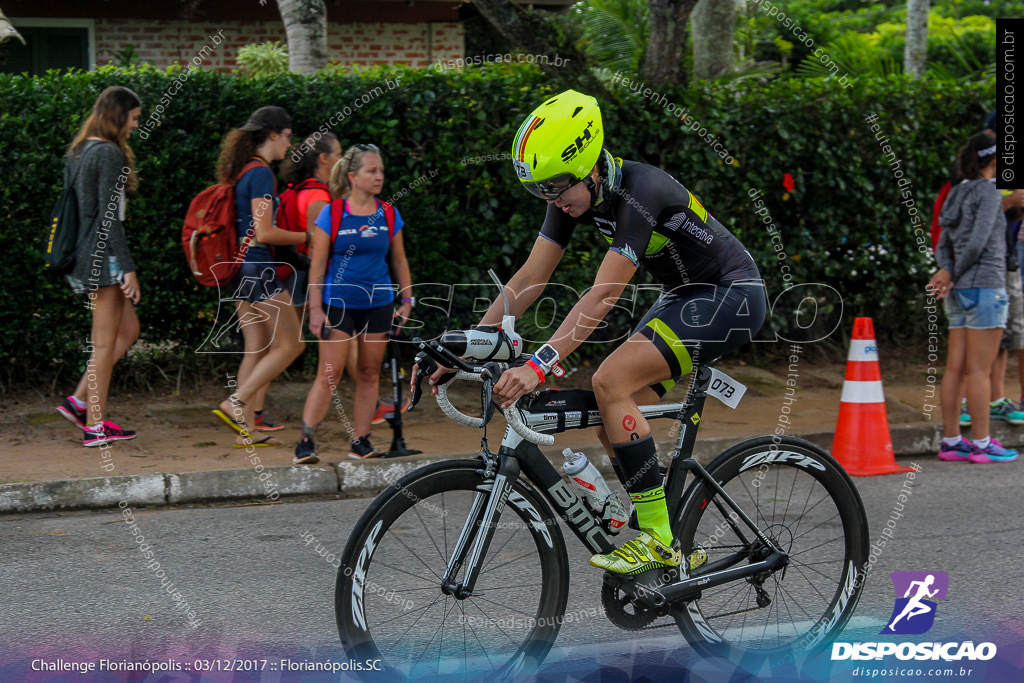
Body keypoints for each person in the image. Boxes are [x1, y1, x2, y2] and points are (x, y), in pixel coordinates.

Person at [431, 90, 766, 576]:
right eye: (541, 193)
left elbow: (603, 296)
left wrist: (537, 365)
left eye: (557, 190)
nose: (554, 203)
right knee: (613, 410)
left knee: (610, 383)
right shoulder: (571, 193)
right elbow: (529, 280)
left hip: (731, 295)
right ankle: (669, 539)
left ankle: (657, 540)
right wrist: (466, 346)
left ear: (590, 168)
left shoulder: (641, 190)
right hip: (685, 295)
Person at [297, 144, 414, 461]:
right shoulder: (332, 213)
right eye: (371, 171)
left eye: (381, 171)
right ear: (352, 176)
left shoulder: (388, 212)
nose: (379, 177)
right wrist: (316, 309)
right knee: (330, 373)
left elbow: (399, 260)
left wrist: (407, 298)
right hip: (339, 303)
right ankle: (306, 442)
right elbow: (317, 266)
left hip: (379, 303)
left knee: (369, 372)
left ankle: (361, 441)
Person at [210, 106, 306, 447]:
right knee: (292, 344)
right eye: (288, 137)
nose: (289, 144)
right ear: (274, 135)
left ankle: (245, 432)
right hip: (259, 269)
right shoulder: (262, 173)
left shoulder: (243, 170)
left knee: (257, 346)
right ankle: (236, 402)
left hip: (238, 271)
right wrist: (309, 237)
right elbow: (264, 232)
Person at [54, 86, 143, 447]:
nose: (136, 126)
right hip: (102, 258)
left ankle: (79, 401)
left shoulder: (79, 150)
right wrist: (127, 266)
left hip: (82, 254)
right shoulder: (108, 153)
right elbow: (109, 219)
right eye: (134, 118)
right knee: (105, 343)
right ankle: (95, 425)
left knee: (128, 331)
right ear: (119, 115)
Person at [930, 130, 1019, 464]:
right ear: (995, 160)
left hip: (958, 292)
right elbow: (980, 241)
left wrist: (947, 270)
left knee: (955, 369)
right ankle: (981, 443)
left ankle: (952, 441)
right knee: (979, 371)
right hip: (985, 287)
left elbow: (943, 240)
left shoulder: (957, 192)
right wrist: (951, 273)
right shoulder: (989, 192)